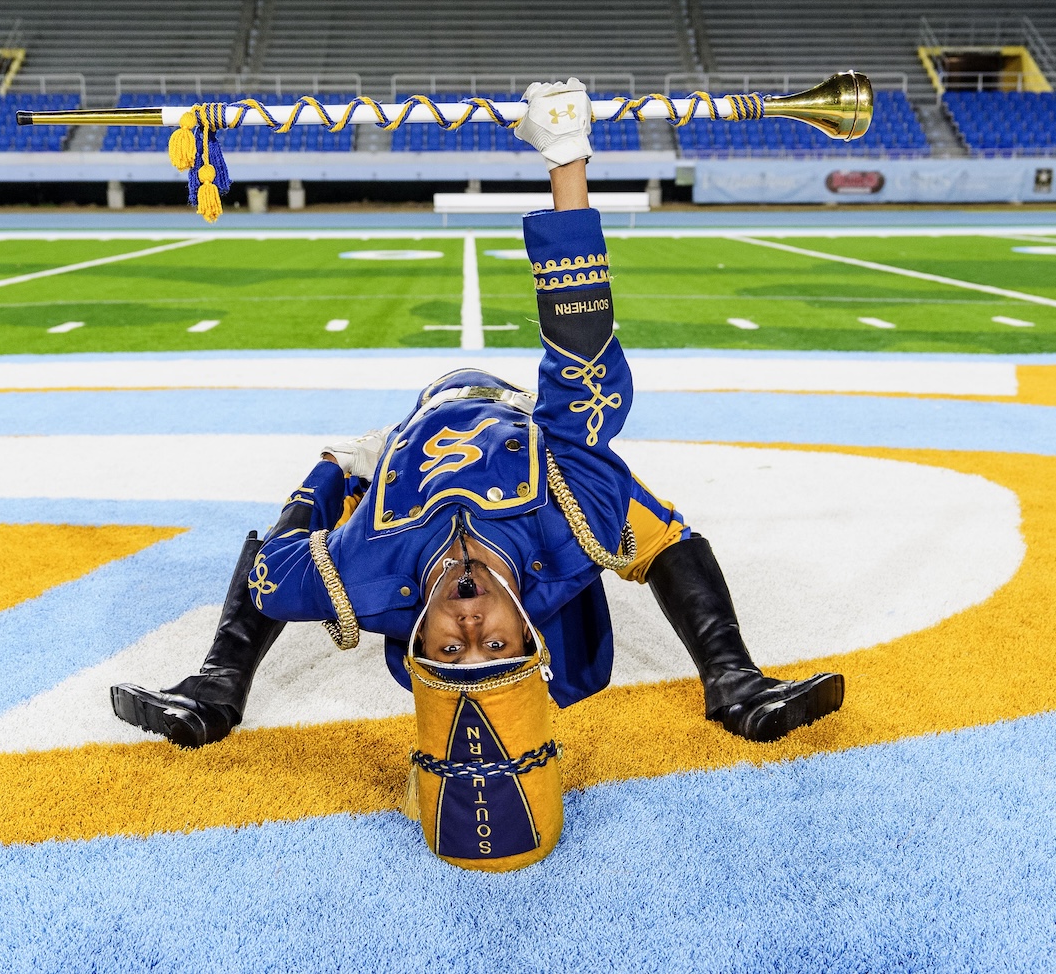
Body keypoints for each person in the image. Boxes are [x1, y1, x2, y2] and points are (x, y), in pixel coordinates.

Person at [111, 79, 843, 868]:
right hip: (521, 425)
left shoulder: (365, 578)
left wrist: (322, 503)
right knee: (637, 517)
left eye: (449, 653)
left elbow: (268, 573)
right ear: (529, 633)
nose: (467, 630)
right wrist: (566, 160)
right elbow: (582, 356)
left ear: (414, 639)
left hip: (403, 429)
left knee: (329, 471)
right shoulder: (565, 520)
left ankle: (217, 686)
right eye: (495, 644)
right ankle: (734, 679)